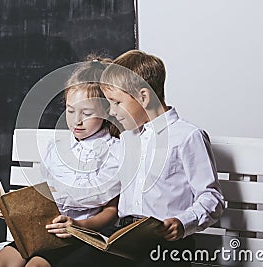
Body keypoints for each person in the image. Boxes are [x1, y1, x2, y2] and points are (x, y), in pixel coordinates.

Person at [55, 50, 224, 267]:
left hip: (165, 242)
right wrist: (75, 220)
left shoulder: (187, 137)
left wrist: (182, 223)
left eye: (116, 103)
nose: (112, 112)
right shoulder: (128, 138)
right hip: (121, 237)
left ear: (143, 97)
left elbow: (211, 197)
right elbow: (104, 189)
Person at [0, 57, 122, 267]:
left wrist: (78, 224)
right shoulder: (56, 148)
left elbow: (111, 212)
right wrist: (12, 208)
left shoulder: (115, 151)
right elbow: (39, 194)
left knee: (36, 266)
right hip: (41, 232)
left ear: (105, 112)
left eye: (87, 113)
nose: (77, 120)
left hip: (81, 236)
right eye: (70, 110)